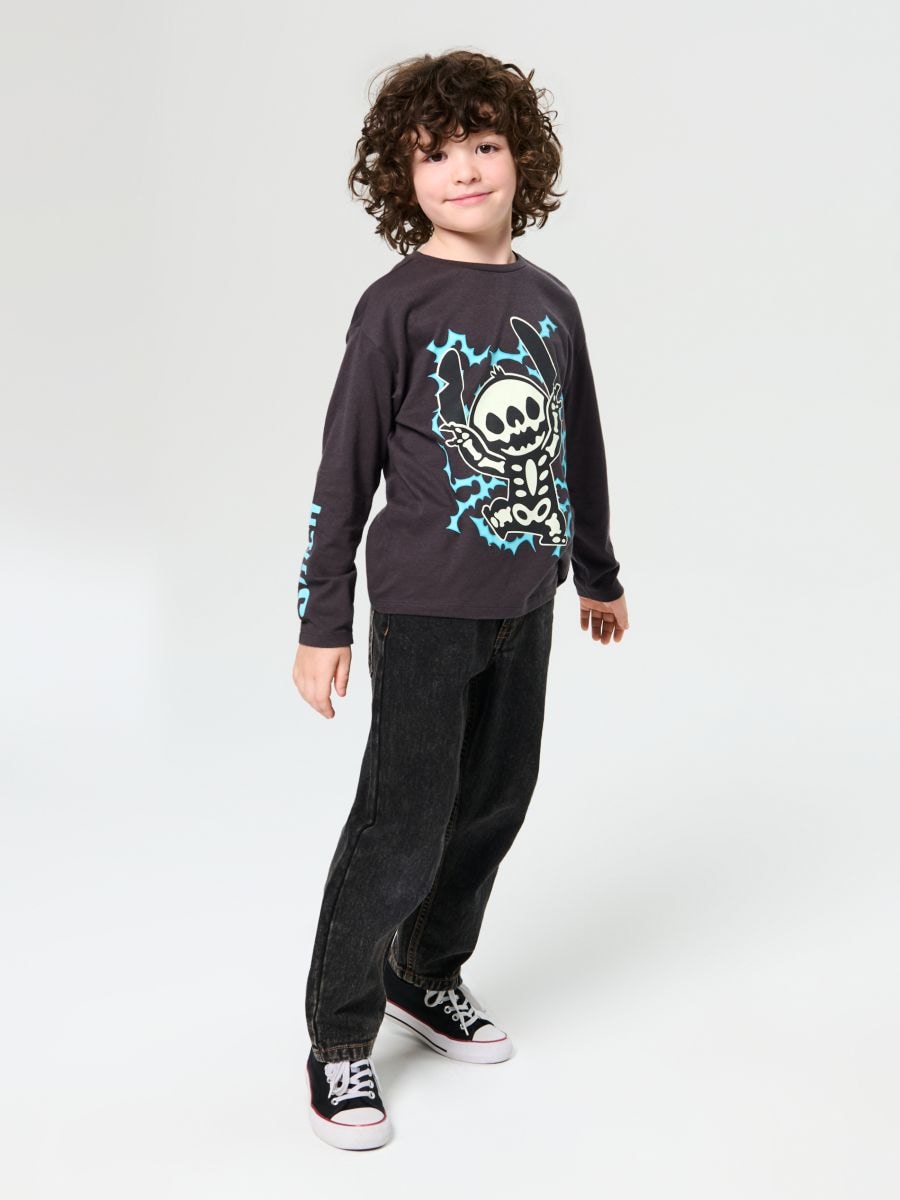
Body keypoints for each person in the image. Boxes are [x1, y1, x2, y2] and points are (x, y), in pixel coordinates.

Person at [292, 49, 629, 1152]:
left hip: (525, 605)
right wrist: (323, 619)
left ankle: (425, 973)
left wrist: (597, 571)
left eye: (484, 144)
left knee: (494, 801)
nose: (466, 170)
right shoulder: (396, 307)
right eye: (436, 154)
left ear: (522, 157)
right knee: (402, 820)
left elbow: (578, 447)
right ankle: (339, 1036)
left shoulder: (550, 303)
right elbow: (343, 471)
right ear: (404, 179)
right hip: (427, 610)